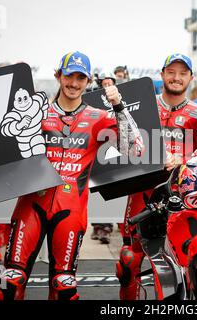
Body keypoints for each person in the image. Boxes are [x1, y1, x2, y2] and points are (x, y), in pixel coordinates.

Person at [0, 51, 144, 300]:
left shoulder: (98, 117)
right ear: (58, 75)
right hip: (31, 206)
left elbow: (135, 149)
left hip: (71, 211)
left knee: (64, 288)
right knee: (9, 284)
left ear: (87, 81)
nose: (73, 83)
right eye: (68, 76)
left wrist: (118, 106)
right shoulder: (34, 114)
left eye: (80, 78)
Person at [117, 53, 197, 300]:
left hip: (180, 198)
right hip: (142, 194)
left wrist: (184, 160)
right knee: (129, 260)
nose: (176, 78)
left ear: (190, 78)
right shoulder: (144, 107)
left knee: (182, 264)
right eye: (171, 72)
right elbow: (123, 144)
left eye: (182, 73)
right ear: (163, 74)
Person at [90, 71, 118, 245]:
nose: (107, 86)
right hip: (97, 152)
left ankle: (106, 228)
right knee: (97, 192)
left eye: (110, 83)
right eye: (104, 83)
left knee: (111, 190)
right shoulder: (91, 98)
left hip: (116, 152)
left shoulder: (121, 98)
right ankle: (98, 226)